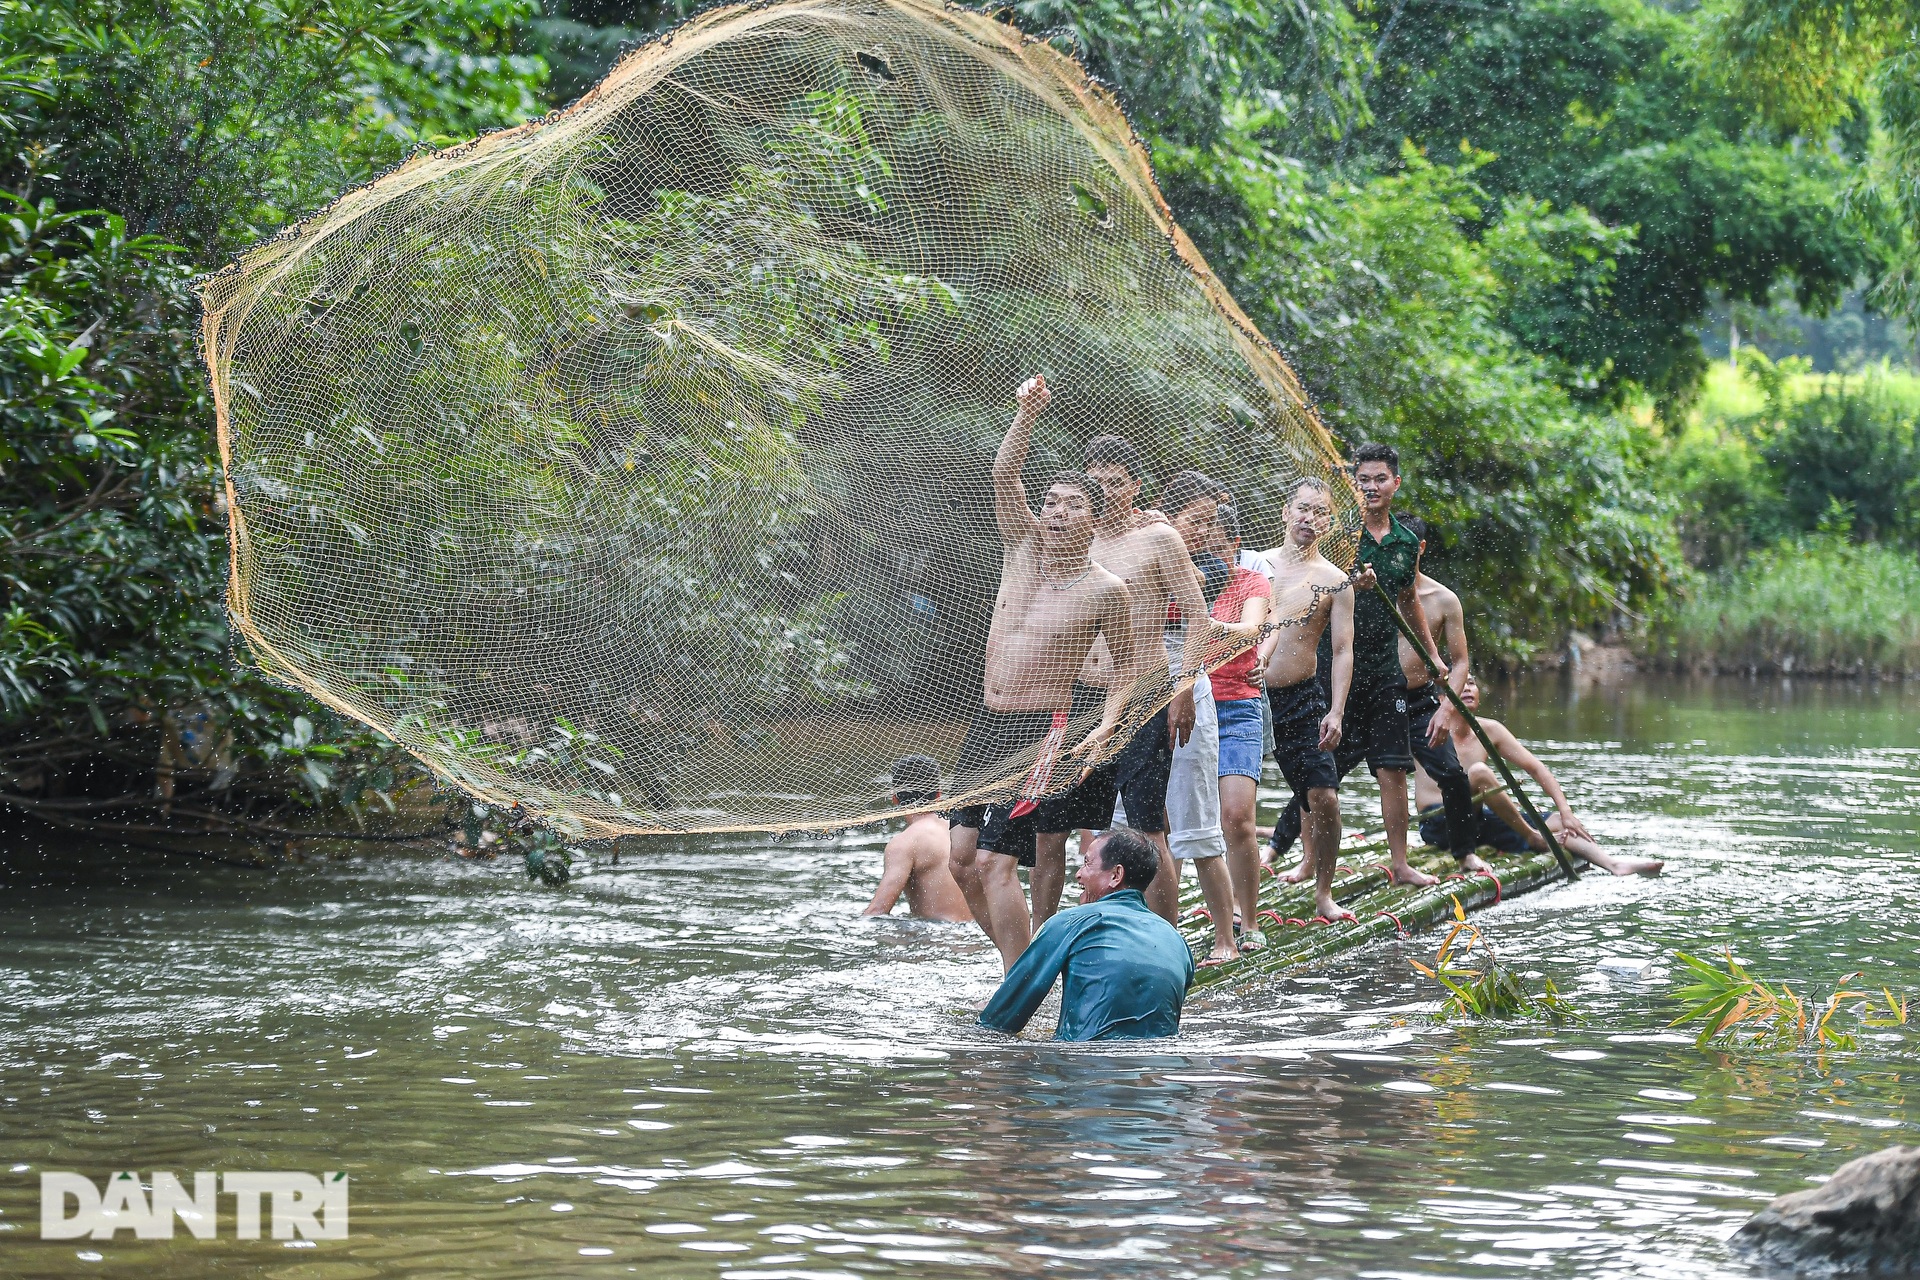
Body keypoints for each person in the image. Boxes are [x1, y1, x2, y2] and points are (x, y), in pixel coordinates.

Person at [947, 376, 1136, 971]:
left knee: (995, 863)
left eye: (1072, 504)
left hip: (1041, 731)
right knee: (959, 858)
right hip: (987, 721)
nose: (1055, 512)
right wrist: (1026, 413)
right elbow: (1004, 476)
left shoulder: (1108, 590)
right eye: (1050, 501)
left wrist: (1106, 725)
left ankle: (1016, 976)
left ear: (1094, 519)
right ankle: (1024, 959)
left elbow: (1129, 670)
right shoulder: (1021, 547)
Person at [1027, 434, 1211, 929]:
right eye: (1098, 484)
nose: (1107, 494)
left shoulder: (1157, 538)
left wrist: (1185, 689)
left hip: (1143, 695)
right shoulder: (1070, 541)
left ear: (1135, 487)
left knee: (1150, 828)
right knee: (1052, 830)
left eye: (1117, 483)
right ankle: (1038, 945)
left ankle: (1165, 941)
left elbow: (1198, 617)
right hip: (1079, 698)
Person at [1269, 443, 1454, 886]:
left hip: (1384, 670)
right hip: (1330, 671)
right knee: (1316, 769)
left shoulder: (1405, 543)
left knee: (1394, 769)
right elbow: (1313, 571)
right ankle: (1307, 859)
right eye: (1363, 480)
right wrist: (1354, 581)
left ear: (1395, 483)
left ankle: (1401, 862)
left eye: (1380, 479)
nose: (1371, 487)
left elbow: (1409, 602)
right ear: (1353, 485)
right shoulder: (1336, 531)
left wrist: (1431, 654)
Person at [1417, 674, 1664, 876]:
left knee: (1556, 821)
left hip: (1476, 821)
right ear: (1441, 697)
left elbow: (1536, 768)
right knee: (1480, 773)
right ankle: (1531, 837)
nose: (1468, 688)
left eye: (1472, 683)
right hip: (1441, 824)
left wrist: (1566, 812)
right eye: (1461, 684)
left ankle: (1613, 864)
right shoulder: (1425, 729)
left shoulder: (1489, 729)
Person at [978, 828, 1194, 1041]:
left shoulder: (1069, 923)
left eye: (1088, 863)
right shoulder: (1177, 942)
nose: (1079, 874)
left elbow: (1001, 1018)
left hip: (1083, 1065)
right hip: (1158, 1067)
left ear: (1116, 875)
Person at [1258, 478, 1359, 925]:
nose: (1308, 518)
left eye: (1319, 512)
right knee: (1233, 805)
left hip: (1301, 697)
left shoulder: (1335, 582)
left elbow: (1341, 651)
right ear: (1285, 512)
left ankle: (1323, 892)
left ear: (1329, 522)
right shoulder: (1256, 565)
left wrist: (1336, 710)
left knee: (1324, 795)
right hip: (1245, 695)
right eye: (1302, 508)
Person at [1155, 471, 1241, 966]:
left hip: (1189, 680)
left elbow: (1192, 591)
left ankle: (1225, 939)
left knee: (1200, 820)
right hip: (1139, 680)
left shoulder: (1206, 563)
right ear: (1172, 510)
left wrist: (1183, 691)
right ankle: (1151, 932)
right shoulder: (1142, 541)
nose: (1203, 532)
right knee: (1137, 820)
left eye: (1209, 523)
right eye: (1196, 521)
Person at [1392, 518, 1488, 874]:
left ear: (1420, 548)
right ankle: (1280, 848)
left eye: (1404, 546)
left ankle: (1465, 853)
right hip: (1375, 698)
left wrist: (1447, 708)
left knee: (1452, 774)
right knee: (1323, 774)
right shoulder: (1370, 592)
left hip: (1419, 700)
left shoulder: (1443, 599)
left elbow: (1459, 661)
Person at [1199, 501, 1272, 951]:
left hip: (1236, 707)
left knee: (1238, 818)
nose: (1208, 548)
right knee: (1174, 824)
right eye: (1200, 540)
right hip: (1181, 707)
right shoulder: (1177, 577)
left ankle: (1251, 922)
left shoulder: (1253, 581)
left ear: (1235, 545)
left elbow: (1250, 629)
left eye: (1218, 542)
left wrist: (1193, 619)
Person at [863, 755, 972, 922]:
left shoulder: (905, 843)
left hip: (936, 938)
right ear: (938, 794)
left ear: (895, 798)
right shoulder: (961, 830)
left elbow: (878, 911)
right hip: (974, 935)